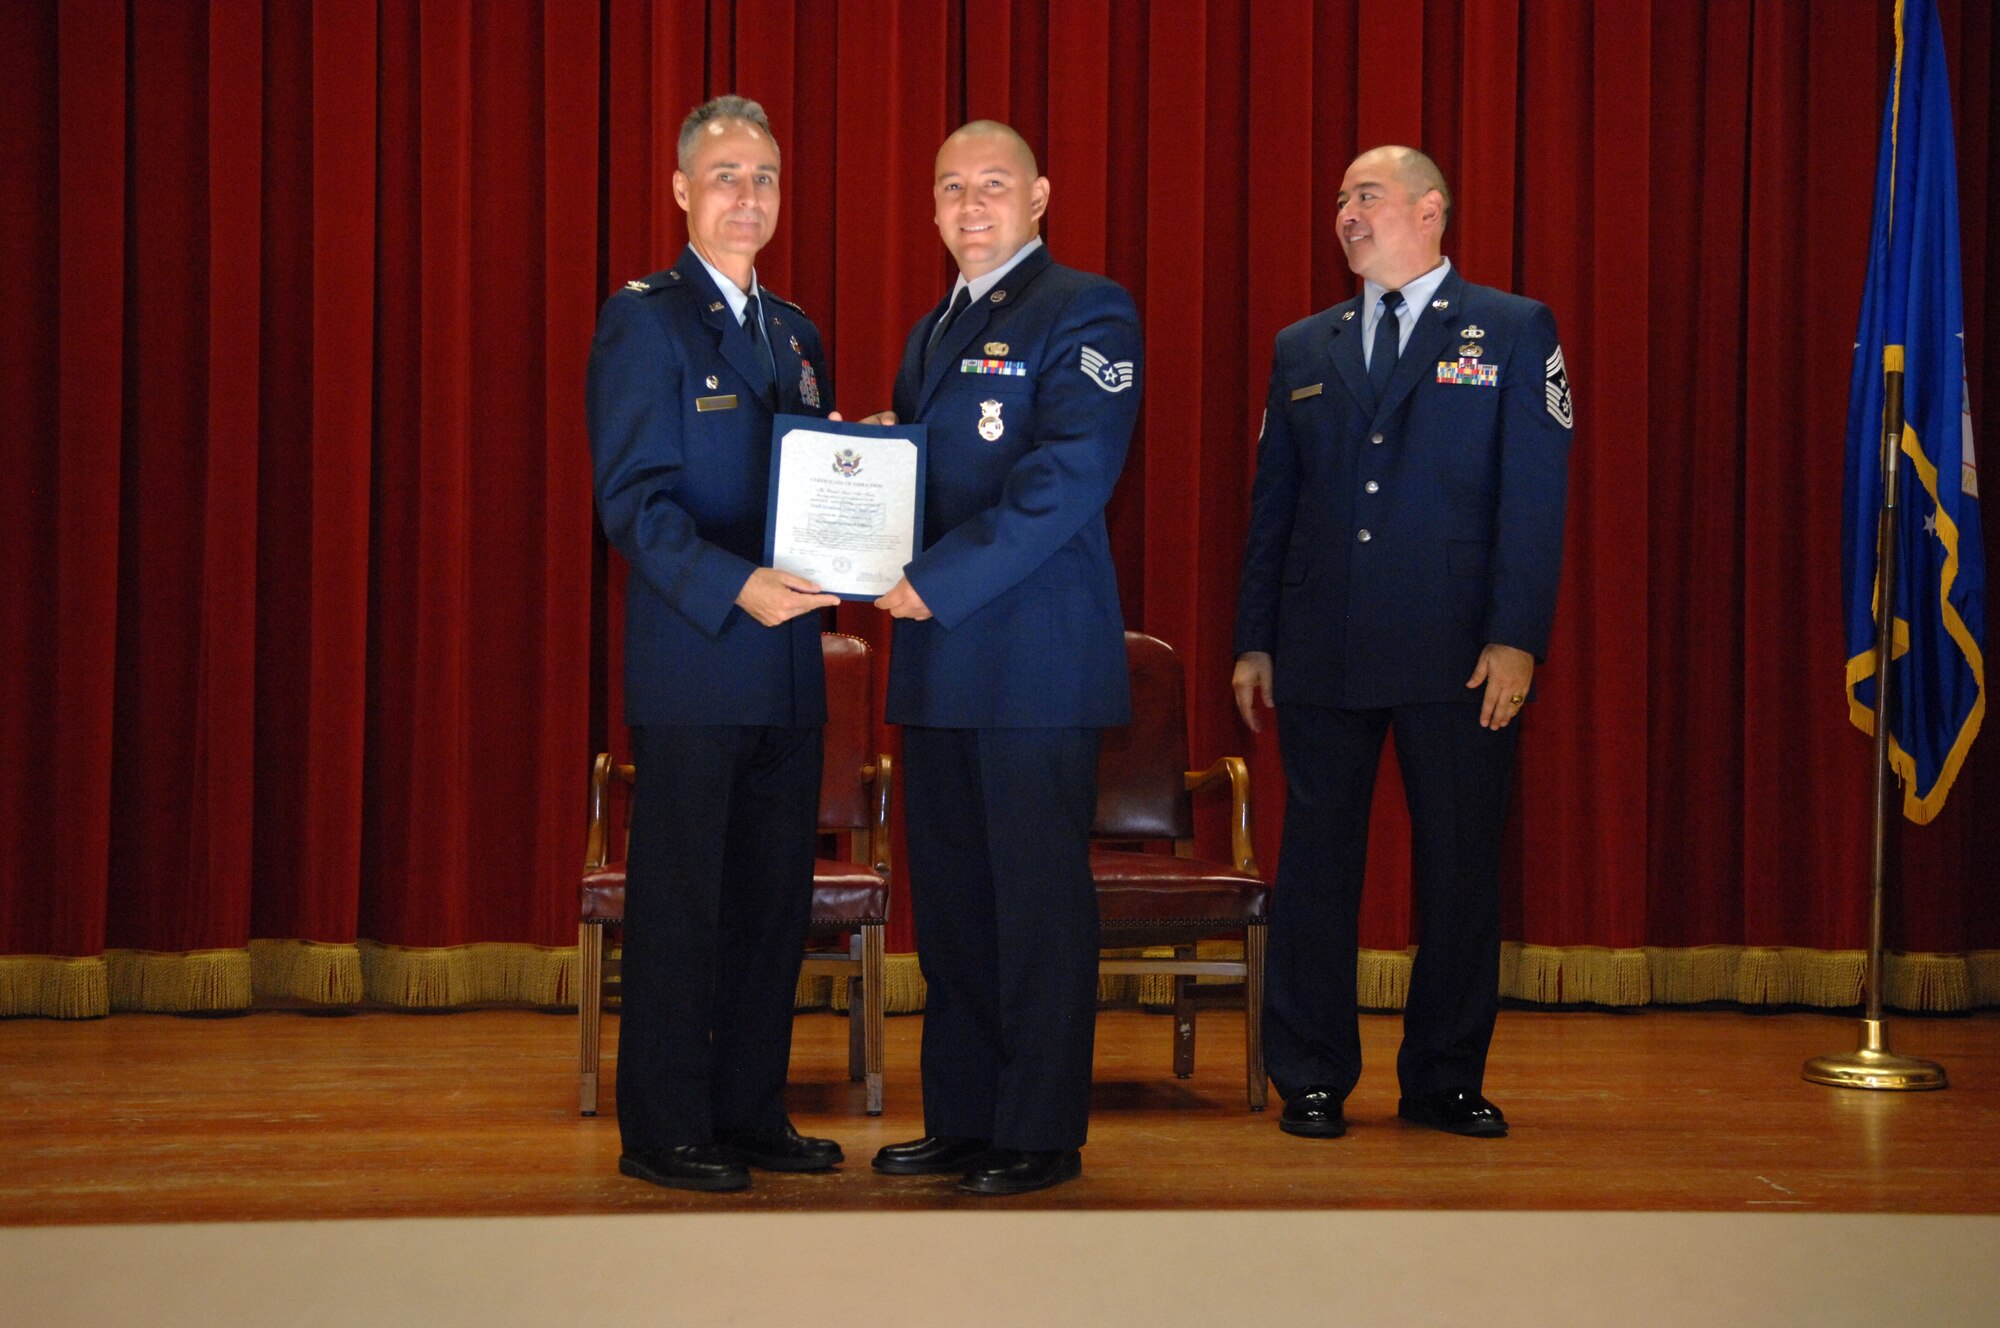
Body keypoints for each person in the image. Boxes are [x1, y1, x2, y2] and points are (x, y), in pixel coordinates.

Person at [1232, 145, 1573, 1141]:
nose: (1345, 212)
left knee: (1459, 870)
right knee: (1315, 871)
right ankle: (1310, 1073)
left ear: (1431, 208)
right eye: (1339, 197)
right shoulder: (1305, 345)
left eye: (1366, 195)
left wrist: (1516, 637)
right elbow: (1272, 506)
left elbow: (1534, 498)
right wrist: (1254, 637)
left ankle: (1442, 1076)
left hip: (1458, 652)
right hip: (1322, 645)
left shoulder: (1511, 329)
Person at [867, 121, 1143, 1195]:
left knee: (1032, 907)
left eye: (991, 185)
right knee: (956, 909)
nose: (969, 205)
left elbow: (1065, 477)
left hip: (1032, 665)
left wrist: (931, 576)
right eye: (949, 189)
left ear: (1039, 196)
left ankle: (1037, 1129)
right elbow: (937, 471)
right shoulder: (934, 327)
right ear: (931, 208)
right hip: (938, 666)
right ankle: (966, 1116)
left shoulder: (1086, 307)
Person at [585, 95, 843, 1192]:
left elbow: (808, 484)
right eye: (728, 175)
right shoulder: (643, 318)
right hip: (697, 658)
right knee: (683, 903)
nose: (750, 195)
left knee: (770, 903)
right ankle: (663, 1125)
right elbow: (632, 503)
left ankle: (747, 1109)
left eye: (767, 176)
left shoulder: (794, 330)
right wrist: (736, 582)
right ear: (683, 192)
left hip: (789, 670)